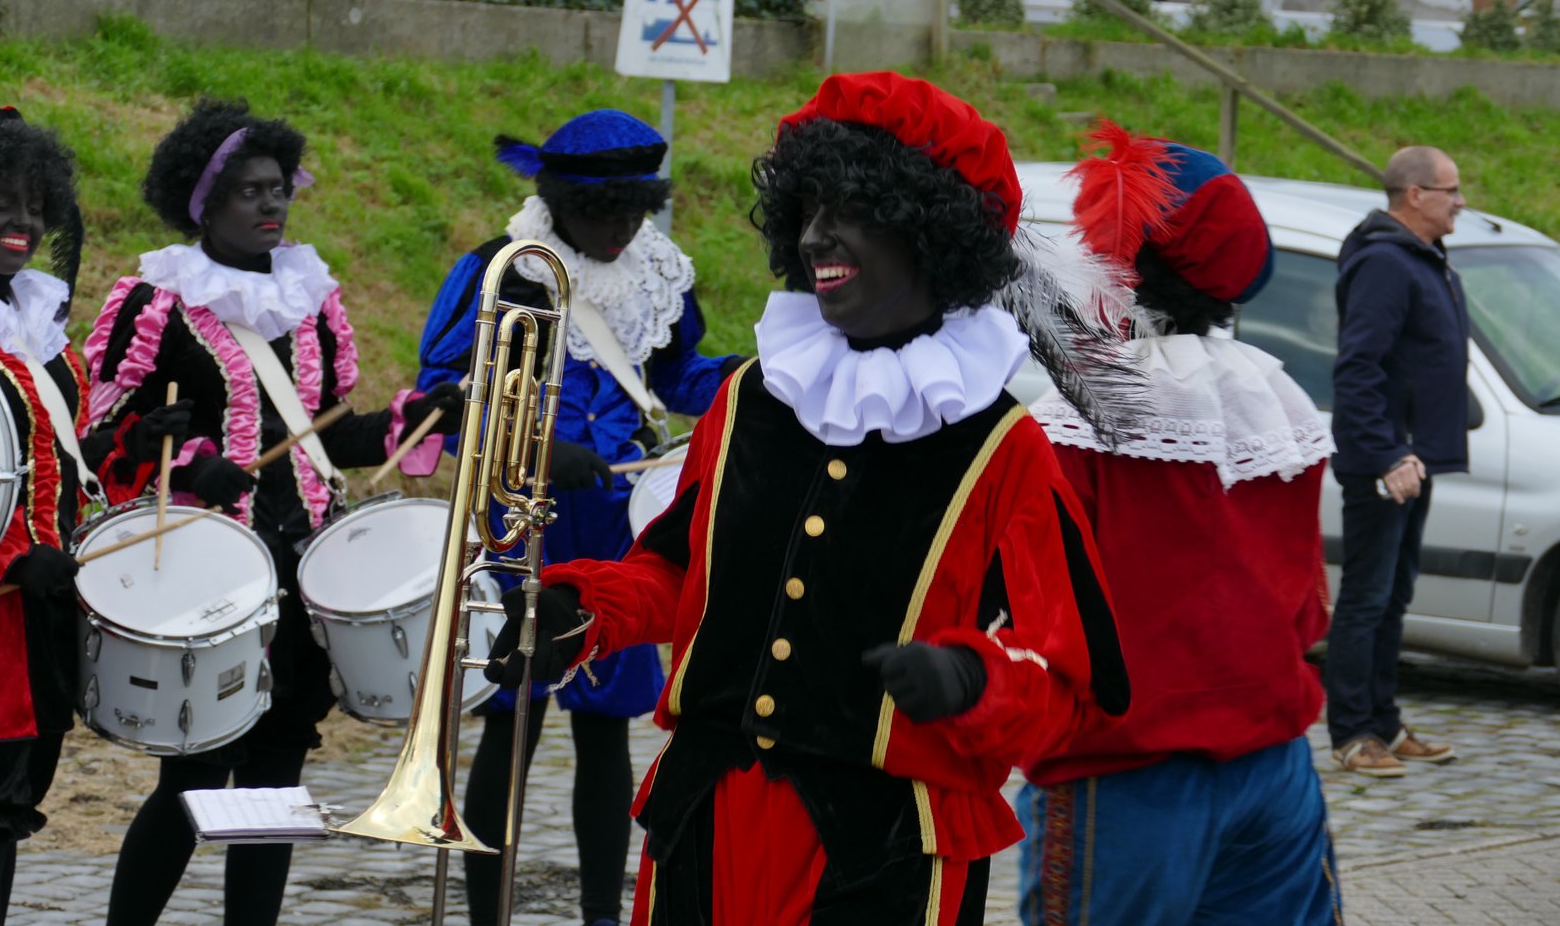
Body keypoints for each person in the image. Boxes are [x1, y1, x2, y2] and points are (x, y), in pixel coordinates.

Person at [483, 72, 1133, 925]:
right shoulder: (750, 400)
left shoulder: (1001, 448)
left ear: (930, 231)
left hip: (882, 851)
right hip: (706, 823)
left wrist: (972, 680)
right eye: (809, 207)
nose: (818, 233)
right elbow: (680, 574)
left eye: (852, 209)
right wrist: (583, 614)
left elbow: (1071, 687)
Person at [83, 98, 463, 926]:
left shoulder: (309, 298)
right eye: (249, 191)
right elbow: (103, 437)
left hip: (299, 568)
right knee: (193, 776)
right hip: (209, 576)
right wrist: (183, 458)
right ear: (203, 203)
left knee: (276, 776)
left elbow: (326, 434)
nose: (271, 205)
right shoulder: (157, 301)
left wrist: (416, 419)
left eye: (279, 188)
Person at [416, 109, 740, 926]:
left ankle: (601, 913)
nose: (621, 230)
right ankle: (485, 914)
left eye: (635, 212)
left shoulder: (657, 271)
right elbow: (438, 400)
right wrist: (533, 444)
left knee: (606, 730)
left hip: (614, 524)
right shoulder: (501, 268)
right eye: (603, 214)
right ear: (560, 204)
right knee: (511, 726)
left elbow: (674, 378)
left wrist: (748, 378)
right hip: (519, 518)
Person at [1020, 125, 1342, 923]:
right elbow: (1306, 608)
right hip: (1272, 764)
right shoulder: (1277, 405)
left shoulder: (1076, 416)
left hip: (1124, 777)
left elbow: (1042, 614)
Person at [0, 105, 91, 924]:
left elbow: (64, 455)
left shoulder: (37, 324)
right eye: (0, 201)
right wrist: (9, 558)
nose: (23, 222)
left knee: (5, 816)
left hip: (35, 617)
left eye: (36, 204)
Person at [1326, 145, 1468, 776]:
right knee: (1366, 598)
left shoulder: (1421, 257)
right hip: (1384, 461)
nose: (1460, 202)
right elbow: (1359, 367)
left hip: (1413, 458)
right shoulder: (1385, 262)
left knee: (1393, 597)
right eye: (1451, 190)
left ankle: (1384, 721)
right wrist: (1388, 452)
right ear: (1415, 194)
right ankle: (1353, 733)